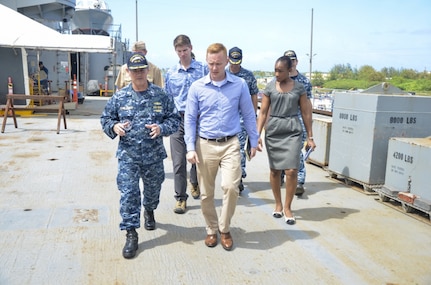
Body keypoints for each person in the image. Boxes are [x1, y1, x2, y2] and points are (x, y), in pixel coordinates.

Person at [100, 53, 181, 259]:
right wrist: (114, 126)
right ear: (128, 72)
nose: (138, 73)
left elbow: (174, 120)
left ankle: (150, 210)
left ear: (148, 70)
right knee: (129, 193)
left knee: (153, 190)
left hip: (153, 156)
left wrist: (161, 128)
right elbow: (106, 119)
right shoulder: (119, 97)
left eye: (141, 69)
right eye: (134, 70)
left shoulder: (161, 95)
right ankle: (131, 233)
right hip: (128, 156)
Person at [184, 43, 260, 251]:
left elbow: (248, 113)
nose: (214, 68)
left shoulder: (240, 85)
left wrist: (254, 140)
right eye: (211, 64)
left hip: (230, 144)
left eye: (218, 63)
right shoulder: (197, 86)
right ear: (207, 62)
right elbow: (190, 119)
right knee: (206, 193)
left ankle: (224, 229)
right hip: (205, 145)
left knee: (230, 187)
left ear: (227, 62)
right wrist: (190, 147)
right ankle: (211, 229)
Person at [257, 55, 315, 225]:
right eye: (275, 70)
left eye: (280, 71)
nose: (276, 74)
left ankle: (288, 207)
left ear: (290, 70)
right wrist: (257, 135)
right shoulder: (269, 87)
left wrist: (310, 136)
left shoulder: (299, 88)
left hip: (292, 131)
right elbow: (263, 112)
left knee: (291, 171)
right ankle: (278, 204)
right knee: (275, 170)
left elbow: (306, 113)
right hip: (274, 130)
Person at [165, 34, 208, 214]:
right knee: (178, 161)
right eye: (179, 51)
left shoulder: (203, 70)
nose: (182, 54)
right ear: (175, 51)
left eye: (185, 50)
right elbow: (168, 97)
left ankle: (195, 182)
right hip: (177, 120)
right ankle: (181, 198)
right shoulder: (171, 72)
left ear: (191, 48)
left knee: (197, 159)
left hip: (198, 120)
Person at [279, 50, 313, 196]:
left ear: (296, 62)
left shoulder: (304, 82)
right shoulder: (278, 80)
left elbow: (308, 106)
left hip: (298, 121)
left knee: (296, 153)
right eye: (288, 60)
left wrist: (309, 132)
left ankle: (299, 181)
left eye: (293, 60)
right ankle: (281, 174)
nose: (291, 63)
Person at [226, 47, 259, 192]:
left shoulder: (248, 76)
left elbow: (254, 96)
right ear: (228, 59)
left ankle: (238, 176)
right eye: (232, 62)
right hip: (226, 118)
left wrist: (252, 117)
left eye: (237, 62)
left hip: (242, 118)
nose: (235, 65)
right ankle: (233, 175)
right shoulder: (222, 73)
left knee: (239, 148)